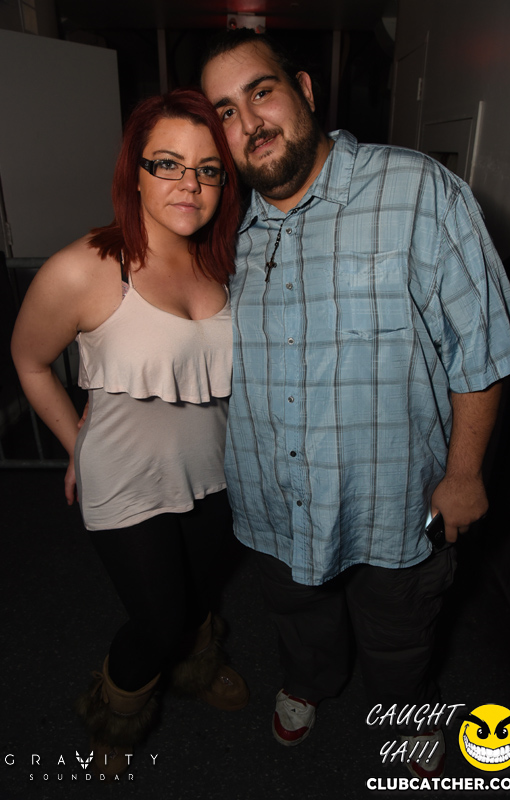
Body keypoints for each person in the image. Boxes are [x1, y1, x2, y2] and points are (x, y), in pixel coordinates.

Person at [200, 29, 510, 775]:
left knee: (399, 633)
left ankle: (406, 709)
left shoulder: (418, 190)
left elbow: (482, 346)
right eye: (225, 111)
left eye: (261, 92)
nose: (249, 123)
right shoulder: (222, 226)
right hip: (274, 496)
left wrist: (466, 474)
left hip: (395, 497)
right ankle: (308, 681)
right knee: (297, 614)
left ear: (305, 91)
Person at [10, 88, 248, 778]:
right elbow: (29, 361)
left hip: (216, 475)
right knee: (158, 622)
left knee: (198, 598)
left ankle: (198, 669)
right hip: (124, 482)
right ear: (134, 173)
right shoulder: (85, 267)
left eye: (208, 170)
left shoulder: (227, 262)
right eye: (167, 163)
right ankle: (115, 715)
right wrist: (75, 444)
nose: (189, 184)